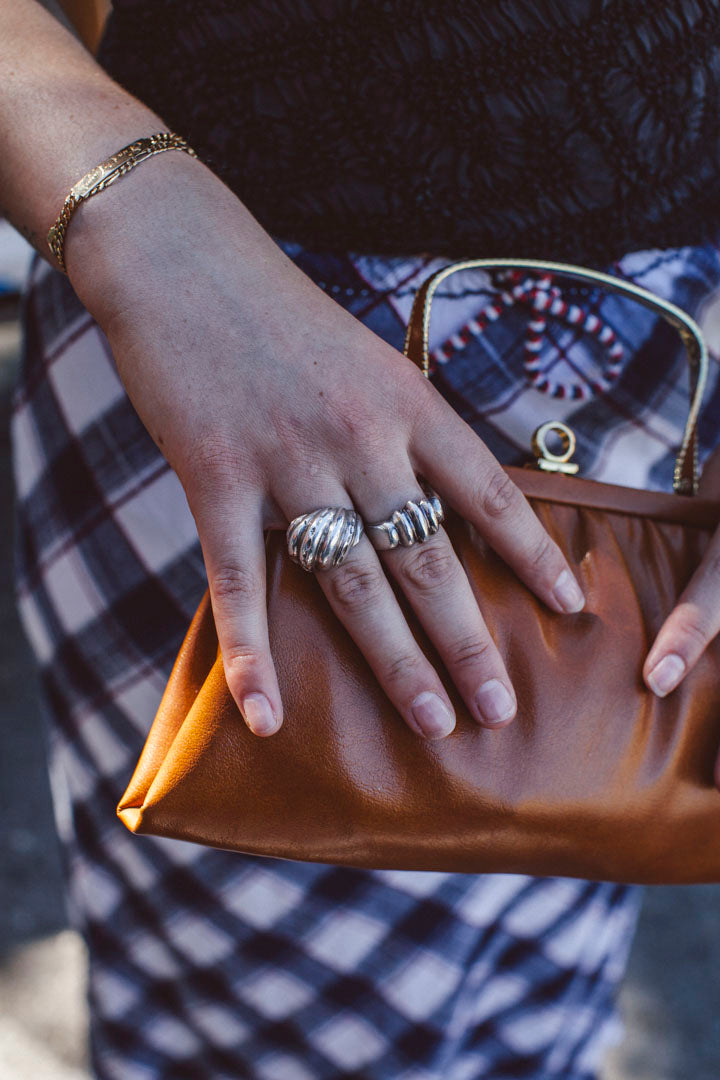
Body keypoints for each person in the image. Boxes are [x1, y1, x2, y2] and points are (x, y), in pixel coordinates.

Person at [5, 1, 720, 1077]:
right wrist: (136, 217)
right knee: (246, 1018)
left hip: (667, 381)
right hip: (215, 355)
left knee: (548, 979)